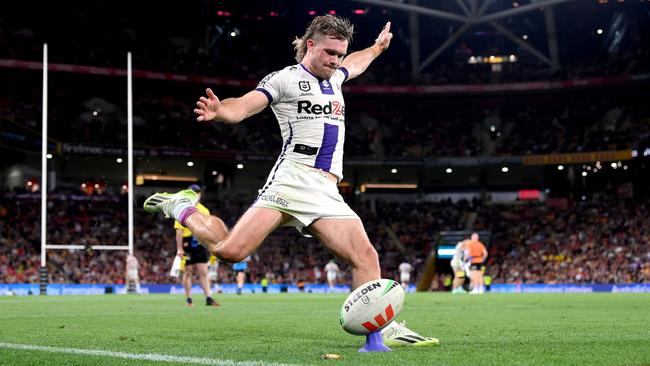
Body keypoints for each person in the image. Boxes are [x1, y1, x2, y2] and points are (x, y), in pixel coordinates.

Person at [144, 15, 437, 347]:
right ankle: (182, 206)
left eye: (339, 54)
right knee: (230, 252)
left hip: (325, 190)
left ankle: (378, 334)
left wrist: (376, 48)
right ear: (310, 45)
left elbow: (355, 64)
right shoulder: (286, 79)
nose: (335, 60)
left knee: (366, 256)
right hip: (290, 180)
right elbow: (243, 106)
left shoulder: (336, 77)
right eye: (329, 52)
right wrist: (222, 111)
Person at [174, 184, 220, 307]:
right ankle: (189, 299)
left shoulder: (204, 210)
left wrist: (210, 246)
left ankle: (208, 298)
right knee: (188, 271)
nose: (197, 195)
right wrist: (179, 248)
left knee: (203, 271)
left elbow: (208, 230)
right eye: (194, 193)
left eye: (198, 193)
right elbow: (179, 231)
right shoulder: (181, 209)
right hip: (187, 242)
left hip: (200, 241)